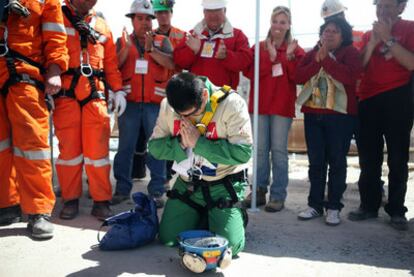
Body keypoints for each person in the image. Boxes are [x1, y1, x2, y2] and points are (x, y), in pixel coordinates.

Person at [148, 72, 252, 256]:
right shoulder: (168, 106)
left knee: (230, 247)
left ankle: (236, 215)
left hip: (223, 182)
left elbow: (243, 153)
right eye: (181, 115)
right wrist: (180, 143)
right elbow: (154, 148)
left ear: (204, 95)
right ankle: (205, 215)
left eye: (193, 113)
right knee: (168, 238)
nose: (186, 119)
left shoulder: (232, 104)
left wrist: (199, 143)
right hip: (188, 183)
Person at [0, 0, 68, 239]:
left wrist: (55, 70)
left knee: (32, 144)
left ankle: (39, 211)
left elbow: (56, 36)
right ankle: (7, 205)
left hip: (24, 71)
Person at [52, 0, 126, 220]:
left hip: (95, 95)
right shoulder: (57, 18)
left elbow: (111, 64)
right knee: (69, 153)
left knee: (98, 154)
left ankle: (101, 200)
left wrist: (118, 91)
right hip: (66, 94)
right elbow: (47, 52)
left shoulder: (102, 26)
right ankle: (70, 199)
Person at [348, 0, 414, 231]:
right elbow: (358, 67)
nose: (383, 11)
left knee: (397, 158)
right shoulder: (368, 34)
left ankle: (396, 209)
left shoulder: (410, 28)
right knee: (368, 158)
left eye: (388, 6)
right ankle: (368, 205)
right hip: (368, 100)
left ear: (400, 7)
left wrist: (388, 38)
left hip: (399, 98)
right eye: (379, 6)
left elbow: (410, 63)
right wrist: (374, 40)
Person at [295, 17, 362, 226]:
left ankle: (334, 207)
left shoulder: (350, 53)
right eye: (326, 31)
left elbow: (350, 77)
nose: (329, 34)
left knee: (337, 161)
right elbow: (298, 75)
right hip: (313, 115)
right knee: (316, 162)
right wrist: (317, 60)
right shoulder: (313, 53)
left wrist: (326, 60)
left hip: (340, 116)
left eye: (334, 31)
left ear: (343, 35)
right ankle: (314, 205)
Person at [111, 0, 174, 207]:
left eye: (148, 18)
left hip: (155, 105)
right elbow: (112, 67)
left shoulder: (163, 41)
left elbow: (172, 64)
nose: (145, 23)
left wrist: (151, 50)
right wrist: (126, 50)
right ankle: (122, 189)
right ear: (132, 20)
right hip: (128, 104)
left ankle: (157, 191)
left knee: (156, 148)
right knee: (125, 148)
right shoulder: (121, 42)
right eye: (140, 18)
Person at [243, 6, 305, 212]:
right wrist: (270, 59)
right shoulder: (259, 47)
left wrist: (285, 57)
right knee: (260, 151)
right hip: (259, 106)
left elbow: (298, 77)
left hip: (281, 108)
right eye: (275, 21)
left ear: (289, 26)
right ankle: (259, 191)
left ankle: (278, 195)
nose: (278, 26)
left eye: (283, 22)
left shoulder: (295, 49)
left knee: (278, 152)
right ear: (270, 23)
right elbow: (250, 72)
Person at [130, 0, 185, 183]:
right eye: (159, 13)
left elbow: (181, 63)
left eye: (165, 12)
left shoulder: (181, 35)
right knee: (145, 135)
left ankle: (167, 175)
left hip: (175, 92)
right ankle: (139, 171)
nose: (162, 16)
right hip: (155, 93)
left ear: (171, 12)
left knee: (171, 135)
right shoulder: (148, 35)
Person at [173, 0, 252, 89]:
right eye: (210, 11)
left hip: (224, 96)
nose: (213, 15)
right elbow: (178, 62)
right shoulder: (193, 35)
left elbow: (245, 62)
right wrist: (192, 51)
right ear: (204, 12)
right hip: (197, 96)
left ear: (225, 11)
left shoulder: (237, 35)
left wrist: (227, 56)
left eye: (217, 10)